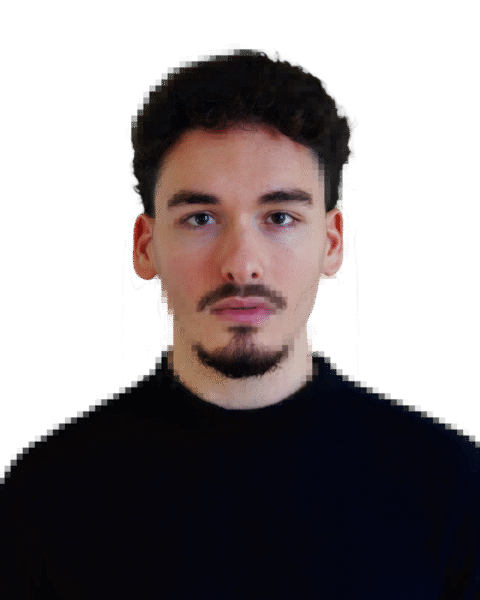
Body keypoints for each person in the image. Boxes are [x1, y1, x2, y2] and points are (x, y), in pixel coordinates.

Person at [1, 47, 478, 599]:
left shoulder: (451, 486)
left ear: (332, 244)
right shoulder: (44, 493)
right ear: (145, 246)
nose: (242, 264)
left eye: (280, 217)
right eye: (200, 218)